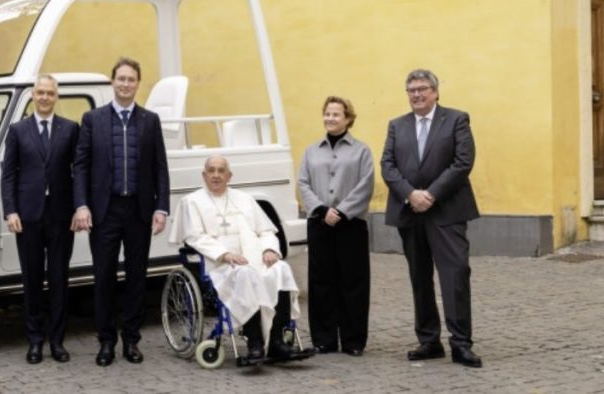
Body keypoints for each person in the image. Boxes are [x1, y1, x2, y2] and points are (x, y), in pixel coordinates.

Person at [380, 69, 482, 368]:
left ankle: (461, 343)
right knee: (420, 278)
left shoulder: (456, 119)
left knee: (455, 276)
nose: (417, 94)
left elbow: (463, 162)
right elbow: (388, 165)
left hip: (447, 211)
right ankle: (429, 340)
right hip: (409, 212)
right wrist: (411, 194)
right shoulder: (397, 125)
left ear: (435, 92)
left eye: (423, 89)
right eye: (411, 90)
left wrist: (431, 194)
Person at [72, 57, 169, 366]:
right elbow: (81, 166)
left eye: (131, 79)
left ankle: (131, 340)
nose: (125, 84)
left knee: (137, 278)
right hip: (105, 211)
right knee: (103, 278)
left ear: (137, 84)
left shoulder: (150, 121)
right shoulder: (93, 120)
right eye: (121, 79)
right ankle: (106, 342)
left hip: (139, 211)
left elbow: (160, 168)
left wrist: (161, 207)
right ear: (112, 82)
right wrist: (81, 204)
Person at [169, 155, 311, 364]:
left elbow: (266, 230)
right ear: (204, 174)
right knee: (246, 274)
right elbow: (195, 237)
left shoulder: (245, 199)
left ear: (229, 176)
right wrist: (225, 255)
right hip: (220, 266)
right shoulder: (192, 202)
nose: (216, 175)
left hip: (254, 258)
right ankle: (254, 343)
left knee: (280, 268)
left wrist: (269, 249)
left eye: (221, 171)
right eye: (211, 170)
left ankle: (277, 342)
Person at [1, 74, 81, 364]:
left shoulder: (70, 129)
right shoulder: (18, 130)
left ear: (56, 96)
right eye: (40, 92)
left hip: (61, 217)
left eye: (50, 93)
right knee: (32, 281)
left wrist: (78, 207)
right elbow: (8, 174)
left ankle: (57, 342)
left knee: (59, 280)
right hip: (28, 216)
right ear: (33, 96)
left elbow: (79, 172)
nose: (45, 97)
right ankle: (35, 341)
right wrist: (10, 211)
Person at [298, 96, 375, 357]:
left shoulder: (361, 151)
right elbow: (303, 183)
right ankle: (324, 339)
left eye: (336, 114)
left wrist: (341, 211)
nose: (330, 118)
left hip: (350, 224)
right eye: (327, 114)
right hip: (319, 223)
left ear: (348, 118)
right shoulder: (311, 151)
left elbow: (366, 185)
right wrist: (321, 209)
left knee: (353, 282)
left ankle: (353, 340)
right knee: (321, 282)